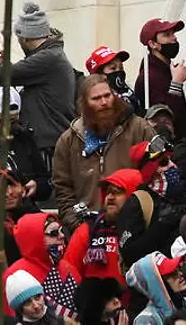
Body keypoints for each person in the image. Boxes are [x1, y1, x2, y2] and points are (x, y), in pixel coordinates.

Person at [52, 74, 155, 230]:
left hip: (134, 226)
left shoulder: (139, 129)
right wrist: (78, 226)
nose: (104, 102)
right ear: (84, 104)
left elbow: (156, 174)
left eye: (107, 95)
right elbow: (62, 189)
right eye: (96, 99)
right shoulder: (68, 141)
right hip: (88, 228)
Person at [6, 2, 77, 167]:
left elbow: (5, 75)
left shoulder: (47, 59)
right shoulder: (52, 56)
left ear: (25, 38)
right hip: (50, 142)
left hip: (49, 146)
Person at [134, 17, 186, 137]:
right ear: (153, 44)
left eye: (173, 33)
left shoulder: (167, 68)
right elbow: (165, 118)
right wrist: (176, 83)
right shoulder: (150, 76)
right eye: (167, 35)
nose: (174, 38)